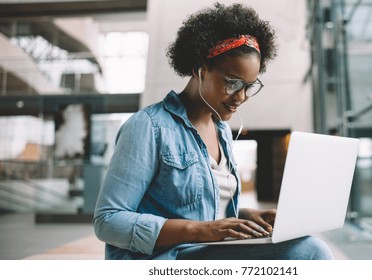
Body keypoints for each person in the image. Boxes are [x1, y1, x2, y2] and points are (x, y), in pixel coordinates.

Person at [93, 2, 333, 260]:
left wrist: (247, 216)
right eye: (232, 83)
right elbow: (108, 221)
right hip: (165, 259)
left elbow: (204, 209)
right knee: (310, 252)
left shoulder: (222, 132)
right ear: (200, 70)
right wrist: (197, 231)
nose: (241, 97)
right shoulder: (148, 127)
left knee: (306, 245)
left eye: (249, 86)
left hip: (206, 253)